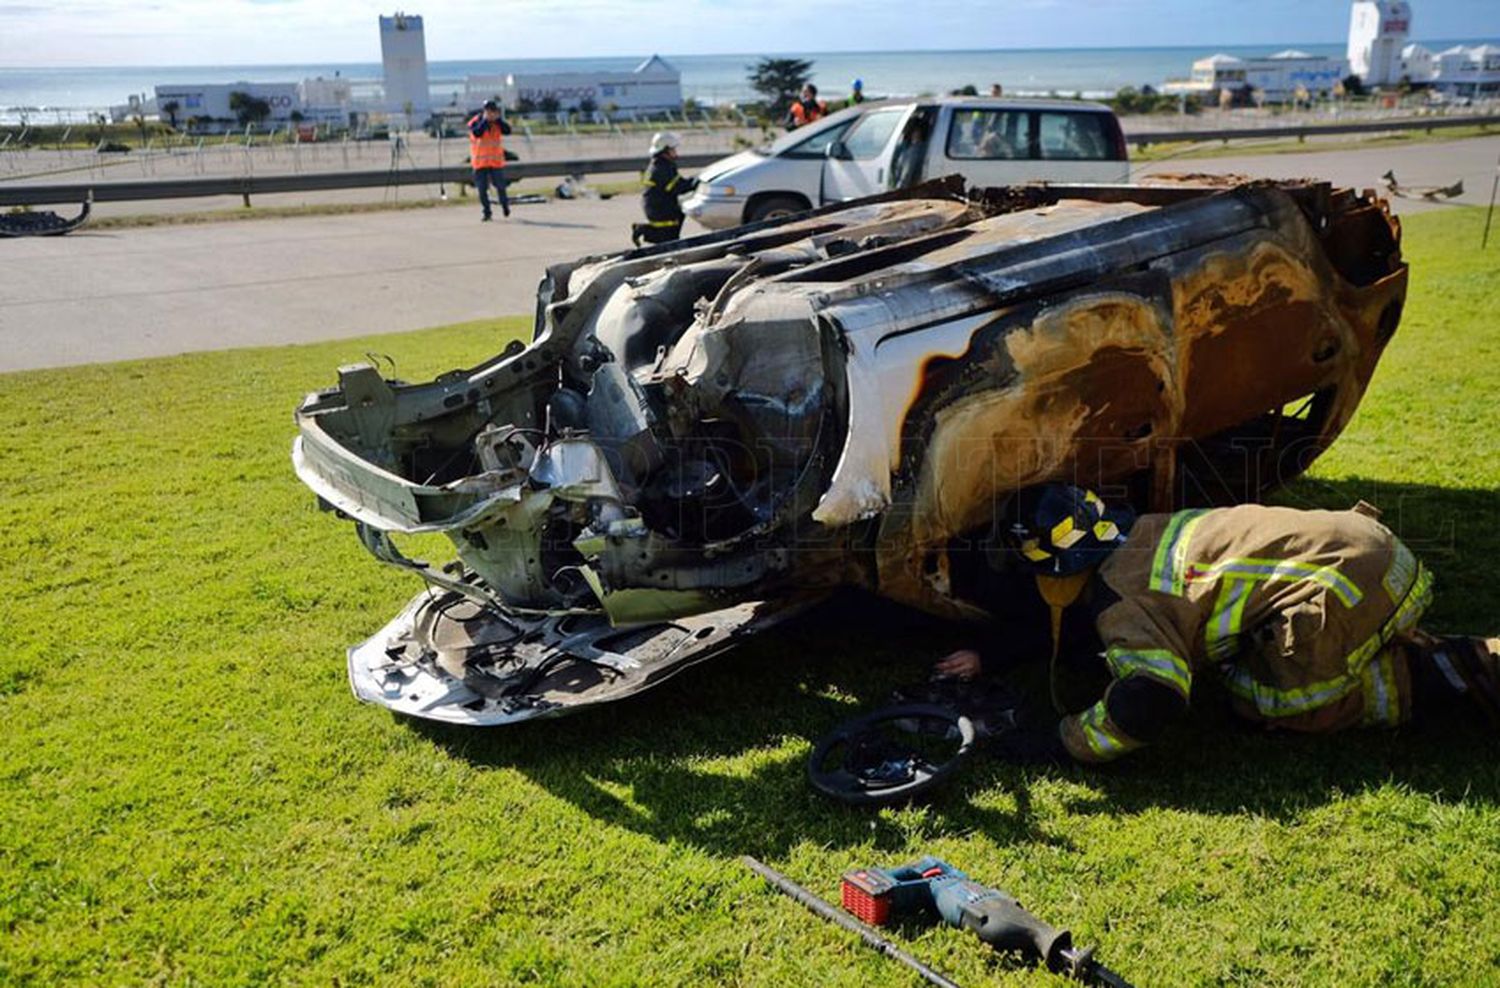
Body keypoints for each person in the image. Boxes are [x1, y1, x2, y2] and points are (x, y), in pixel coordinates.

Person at [935, 484, 1499, 765]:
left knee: (1263, 701)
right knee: (1279, 653)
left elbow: (1150, 700)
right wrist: (994, 654)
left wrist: (1062, 741)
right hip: (1370, 551)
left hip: (1346, 587)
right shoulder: (1144, 534)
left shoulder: (1121, 604)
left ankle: (1450, 675)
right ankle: (1435, 650)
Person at [633, 131, 697, 246]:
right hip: (660, 209)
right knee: (668, 237)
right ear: (665, 150)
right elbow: (679, 187)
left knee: (670, 233)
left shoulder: (661, 164)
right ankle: (642, 230)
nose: (675, 152)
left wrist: (693, 181)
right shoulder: (662, 168)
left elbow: (678, 183)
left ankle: (643, 230)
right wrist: (695, 182)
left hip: (658, 206)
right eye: (673, 149)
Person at [467, 99, 512, 222]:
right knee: (482, 190)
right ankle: (487, 212)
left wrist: (498, 120)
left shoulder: (497, 122)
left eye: (493, 111)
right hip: (480, 162)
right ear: (484, 111)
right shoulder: (475, 122)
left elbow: (508, 130)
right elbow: (477, 133)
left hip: (495, 162)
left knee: (500, 187)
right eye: (488, 111)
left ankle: (505, 205)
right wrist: (485, 121)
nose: (491, 113)